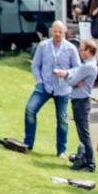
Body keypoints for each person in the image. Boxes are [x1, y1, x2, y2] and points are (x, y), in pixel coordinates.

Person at [23, 21, 80, 157]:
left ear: (64, 32)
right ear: (51, 31)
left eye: (60, 32)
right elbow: (35, 65)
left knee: (63, 120)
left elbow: (78, 68)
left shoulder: (71, 48)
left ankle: (61, 150)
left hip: (63, 88)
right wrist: (39, 81)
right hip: (45, 86)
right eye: (55, 31)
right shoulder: (43, 46)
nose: (57, 34)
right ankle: (28, 143)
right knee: (30, 110)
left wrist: (66, 73)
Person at [54, 38, 98, 172]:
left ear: (89, 51)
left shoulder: (88, 66)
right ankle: (85, 159)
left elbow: (72, 81)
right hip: (80, 101)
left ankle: (90, 163)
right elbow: (75, 77)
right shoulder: (87, 64)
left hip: (81, 102)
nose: (79, 51)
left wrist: (66, 76)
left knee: (84, 134)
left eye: (82, 49)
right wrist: (71, 77)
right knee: (82, 133)